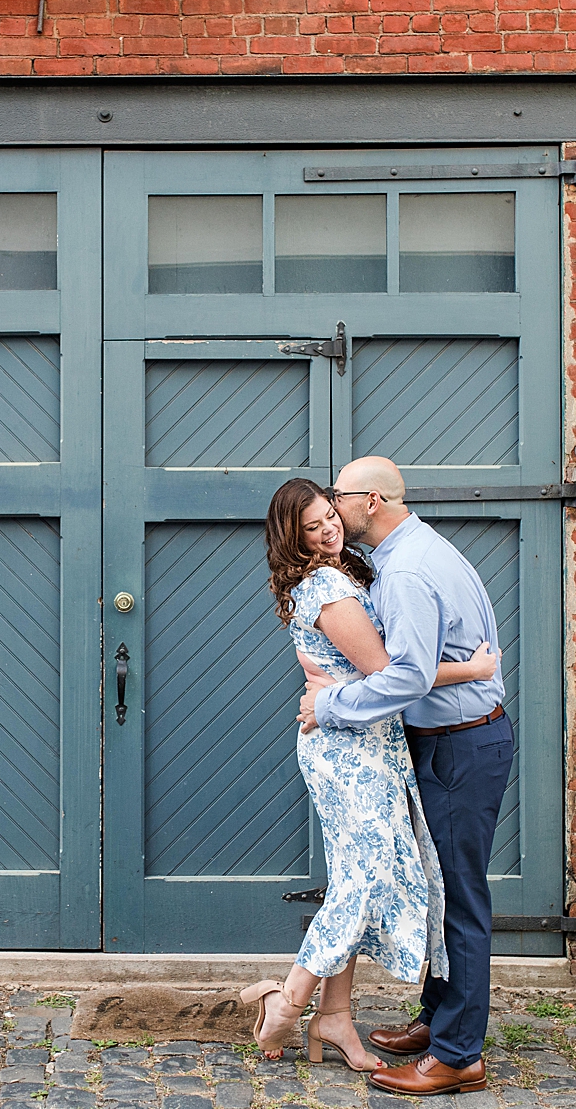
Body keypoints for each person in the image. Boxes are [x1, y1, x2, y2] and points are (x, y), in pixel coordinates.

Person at [242, 478, 498, 1072]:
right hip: (349, 751)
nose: (329, 528)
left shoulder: (344, 575)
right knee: (362, 880)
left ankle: (334, 1017)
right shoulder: (330, 585)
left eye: (330, 515)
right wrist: (472, 669)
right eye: (312, 525)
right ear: (293, 537)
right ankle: (288, 1002)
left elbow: (375, 674)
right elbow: (393, 672)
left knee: (359, 874)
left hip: (368, 744)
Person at [298, 456, 513, 1098]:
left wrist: (328, 704)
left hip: (457, 747)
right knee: (440, 889)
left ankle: (456, 1056)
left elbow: (408, 676)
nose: (333, 507)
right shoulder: (411, 554)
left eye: (340, 496)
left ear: (371, 501)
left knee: (459, 899)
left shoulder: (409, 572)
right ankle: (440, 1019)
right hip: (457, 740)